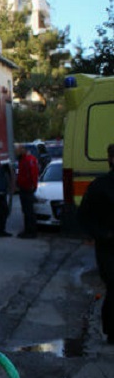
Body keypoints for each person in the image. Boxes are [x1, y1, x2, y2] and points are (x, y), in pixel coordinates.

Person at [78, 143, 114, 344]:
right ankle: (111, 331)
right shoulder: (101, 186)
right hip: (109, 248)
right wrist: (102, 234)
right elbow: (84, 216)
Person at [15, 144, 40, 239]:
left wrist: (33, 186)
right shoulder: (22, 160)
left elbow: (34, 173)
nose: (16, 153)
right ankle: (27, 230)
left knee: (29, 212)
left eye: (17, 151)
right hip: (23, 188)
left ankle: (31, 232)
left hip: (27, 188)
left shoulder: (29, 160)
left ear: (23, 150)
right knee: (26, 211)